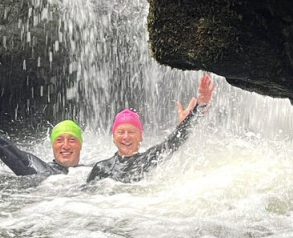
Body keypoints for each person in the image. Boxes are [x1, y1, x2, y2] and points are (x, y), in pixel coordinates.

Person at [0, 55, 83, 176]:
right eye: (59, 140)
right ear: (53, 145)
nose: (65, 146)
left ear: (80, 145)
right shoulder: (36, 168)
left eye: (72, 140)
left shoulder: (94, 171)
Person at [87, 75, 215, 183]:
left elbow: (173, 143)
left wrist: (198, 108)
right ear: (113, 137)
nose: (126, 137)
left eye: (132, 132)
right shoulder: (101, 168)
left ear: (140, 137)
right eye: (121, 132)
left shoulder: (147, 160)